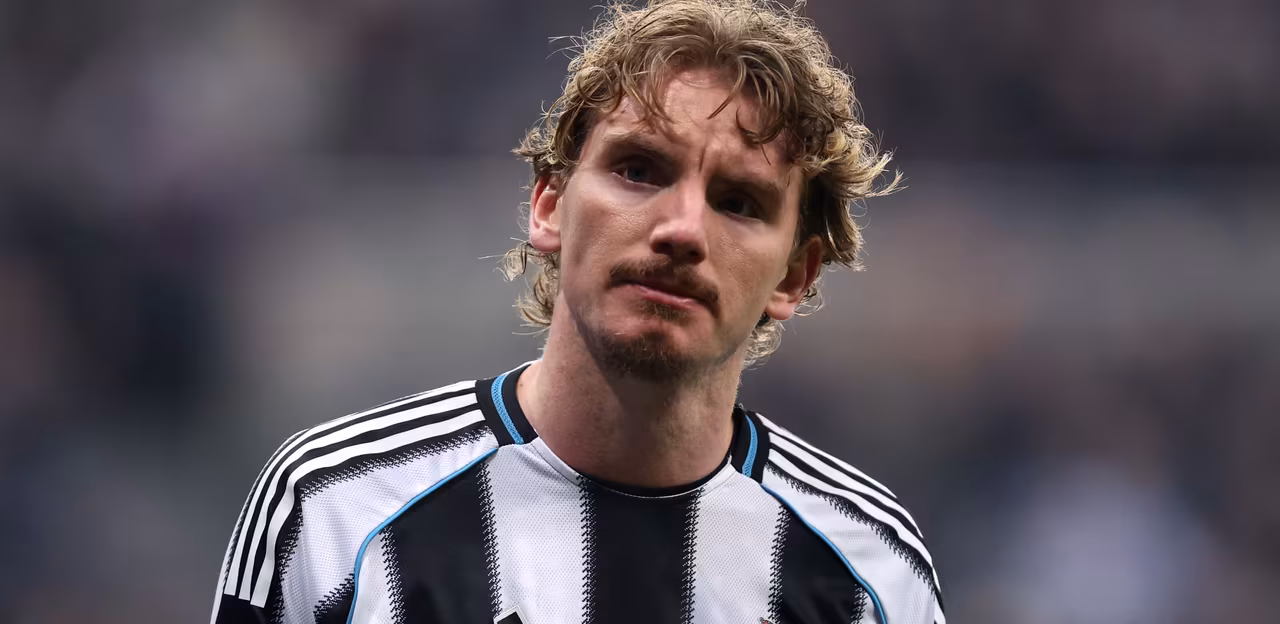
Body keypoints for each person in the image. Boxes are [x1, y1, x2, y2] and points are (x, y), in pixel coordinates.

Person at [210, 1, 943, 622]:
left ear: (794, 276)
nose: (682, 230)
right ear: (549, 204)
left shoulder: (870, 577)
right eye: (638, 170)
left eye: (739, 202)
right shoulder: (335, 511)